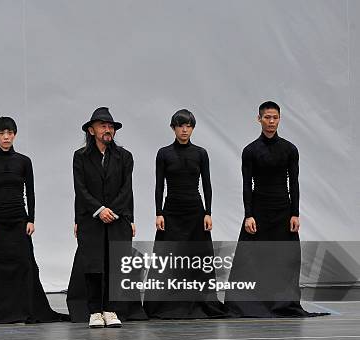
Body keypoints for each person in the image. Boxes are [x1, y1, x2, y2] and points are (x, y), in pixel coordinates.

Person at [0, 117, 67, 323]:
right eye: (1, 133)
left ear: (14, 134)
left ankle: (23, 307)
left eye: (9, 133)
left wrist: (31, 219)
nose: (6, 137)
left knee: (24, 264)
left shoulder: (24, 161)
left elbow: (31, 193)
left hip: (19, 218)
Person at [224, 101, 326, 317]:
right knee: (252, 258)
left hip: (283, 210)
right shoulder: (250, 150)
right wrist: (248, 215)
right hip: (259, 210)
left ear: (279, 119)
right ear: (259, 119)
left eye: (275, 118)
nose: (271, 122)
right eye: (267, 117)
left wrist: (295, 213)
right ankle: (248, 304)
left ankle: (282, 303)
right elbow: (246, 185)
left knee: (284, 258)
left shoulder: (289, 149)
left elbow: (294, 184)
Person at [143, 109, 228, 319]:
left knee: (198, 257)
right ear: (173, 128)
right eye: (180, 125)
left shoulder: (200, 153)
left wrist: (208, 212)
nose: (184, 129)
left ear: (192, 128)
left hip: (195, 212)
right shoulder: (164, 153)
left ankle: (200, 301)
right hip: (171, 211)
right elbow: (159, 186)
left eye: (188, 126)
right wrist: (158, 213)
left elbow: (207, 184)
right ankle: (164, 304)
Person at [66, 107, 147, 327]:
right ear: (91, 130)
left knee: (114, 264)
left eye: (110, 126)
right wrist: (99, 210)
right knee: (93, 265)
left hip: (117, 218)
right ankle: (94, 311)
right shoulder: (80, 157)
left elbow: (126, 189)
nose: (107, 130)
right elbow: (80, 189)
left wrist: (121, 214)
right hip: (91, 219)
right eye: (103, 126)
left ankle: (110, 310)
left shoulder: (124, 157)